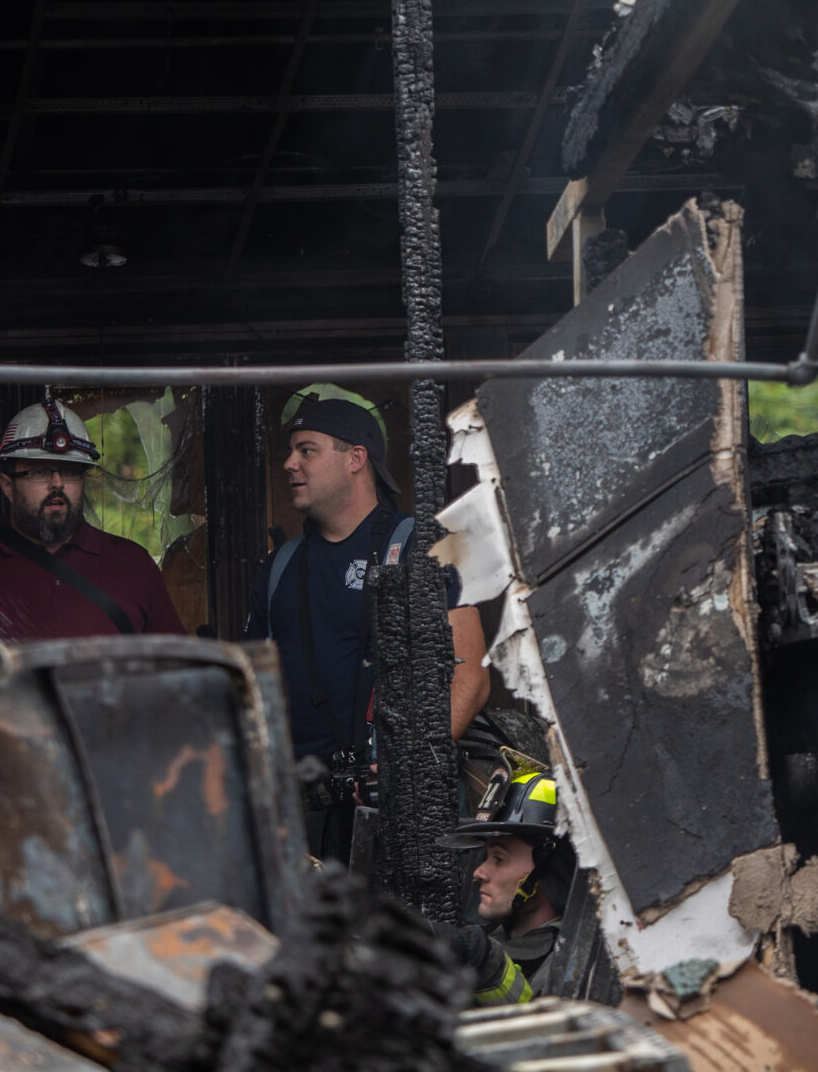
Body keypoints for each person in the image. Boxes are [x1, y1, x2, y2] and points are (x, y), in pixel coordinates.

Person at [244, 391, 491, 859]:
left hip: (400, 811)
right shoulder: (278, 569)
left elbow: (472, 679)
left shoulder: (426, 548)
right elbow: (250, 696)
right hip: (302, 823)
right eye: (290, 451)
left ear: (356, 458)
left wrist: (407, 770)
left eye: (307, 450)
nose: (289, 464)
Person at [0, 393, 186, 647]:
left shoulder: (133, 566)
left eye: (70, 471)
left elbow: (178, 677)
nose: (57, 483)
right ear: (7, 485)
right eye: (40, 471)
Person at [447, 768, 575, 1007]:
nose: (479, 872)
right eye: (487, 856)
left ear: (548, 867)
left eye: (499, 859)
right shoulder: (489, 937)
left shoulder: (573, 966)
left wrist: (485, 961)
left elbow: (540, 1032)